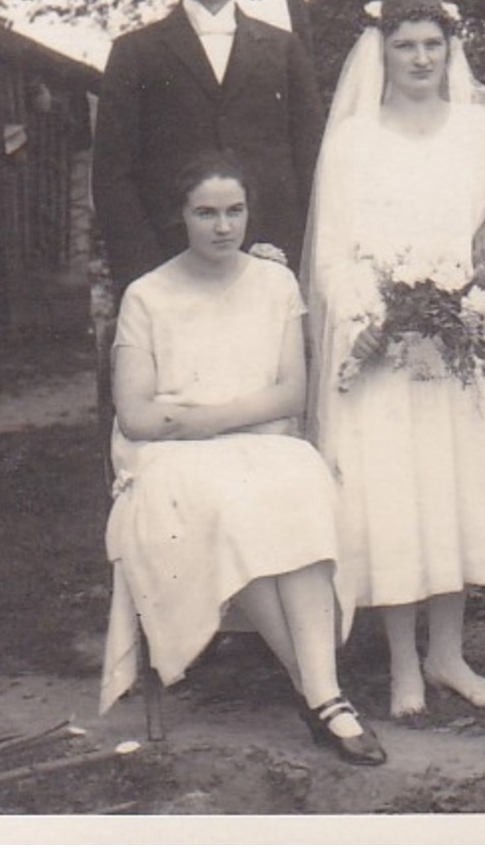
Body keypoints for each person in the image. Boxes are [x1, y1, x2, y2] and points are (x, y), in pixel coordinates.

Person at [98, 151, 386, 768]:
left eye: (235, 211)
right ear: (182, 216)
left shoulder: (274, 282)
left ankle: (318, 695)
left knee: (300, 482)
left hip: (247, 444)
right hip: (167, 461)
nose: (223, 227)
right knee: (234, 501)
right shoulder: (147, 296)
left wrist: (195, 416)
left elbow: (292, 395)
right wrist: (236, 417)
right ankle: (327, 698)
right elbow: (137, 417)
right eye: (206, 213)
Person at [302, 0, 485, 720]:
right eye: (406, 45)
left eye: (434, 44)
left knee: (454, 490)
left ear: (450, 50)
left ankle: (449, 654)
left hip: (460, 331)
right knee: (394, 497)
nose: (421, 59)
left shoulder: (480, 130)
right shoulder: (353, 140)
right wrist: (377, 321)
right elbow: (333, 248)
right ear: (382, 52)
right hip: (383, 345)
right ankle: (403, 663)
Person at [93, 0, 323, 298]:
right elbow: (113, 174)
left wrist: (298, 258)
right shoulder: (135, 52)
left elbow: (310, 159)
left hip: (271, 258)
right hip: (168, 261)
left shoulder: (283, 48)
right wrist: (142, 275)